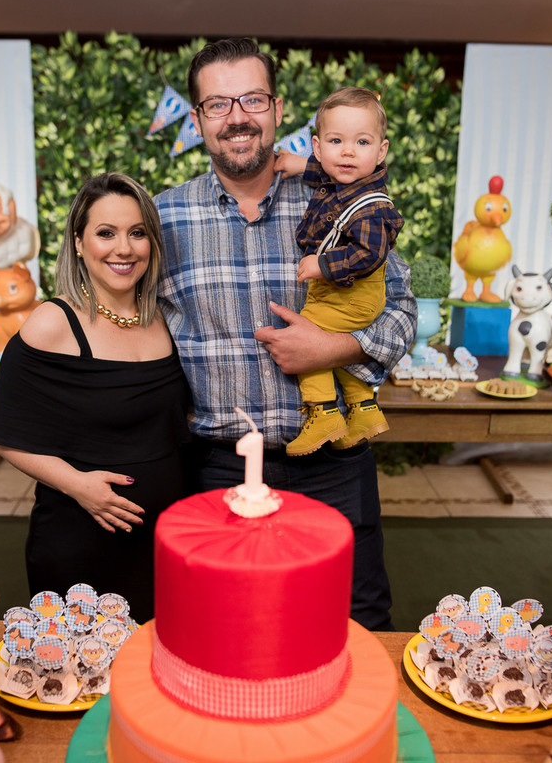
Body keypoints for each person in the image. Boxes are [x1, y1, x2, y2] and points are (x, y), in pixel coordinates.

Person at [154, 38, 416, 631]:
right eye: (218, 104)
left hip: (333, 460)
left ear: (276, 110)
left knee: (357, 621)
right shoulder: (163, 218)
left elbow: (401, 308)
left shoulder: (343, 201)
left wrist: (335, 348)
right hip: (215, 467)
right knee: (221, 627)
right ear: (196, 121)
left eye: (251, 98)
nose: (237, 116)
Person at [0, 173, 191, 623]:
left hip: (163, 543)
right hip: (83, 541)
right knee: (79, 683)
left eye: (137, 233)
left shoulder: (164, 318)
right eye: (106, 233)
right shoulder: (53, 323)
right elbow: (5, 435)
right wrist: (81, 487)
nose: (124, 248)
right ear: (79, 242)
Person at [284, 86, 404, 457]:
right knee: (331, 351)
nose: (348, 151)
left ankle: (323, 414)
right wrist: (296, 164)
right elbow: (326, 169)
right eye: (336, 141)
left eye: (362, 142)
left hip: (353, 294)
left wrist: (322, 265)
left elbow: (368, 254)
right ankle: (365, 410)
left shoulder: (372, 206)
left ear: (381, 151)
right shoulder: (339, 180)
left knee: (306, 342)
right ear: (318, 148)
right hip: (343, 294)